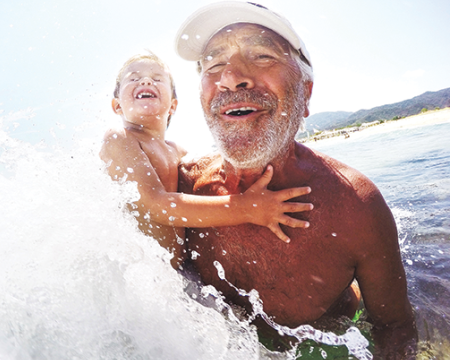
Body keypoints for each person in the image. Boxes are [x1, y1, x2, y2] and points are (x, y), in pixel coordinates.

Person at [174, 2, 417, 358]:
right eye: (213, 63)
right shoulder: (182, 189)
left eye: (261, 55)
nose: (231, 76)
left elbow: (394, 329)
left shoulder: (355, 206)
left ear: (306, 94)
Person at [100, 53, 314, 269]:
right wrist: (247, 207)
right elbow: (156, 205)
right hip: (140, 276)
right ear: (117, 106)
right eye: (134, 78)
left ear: (173, 106)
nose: (146, 81)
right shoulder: (120, 138)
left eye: (156, 78)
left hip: (178, 275)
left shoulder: (178, 151)